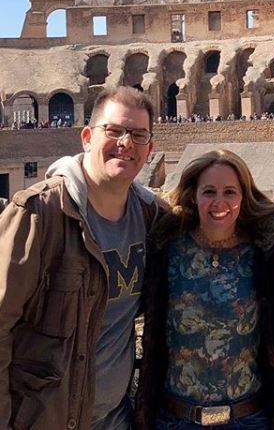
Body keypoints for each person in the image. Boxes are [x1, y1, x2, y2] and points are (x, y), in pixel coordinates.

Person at [0, 86, 161, 429]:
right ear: (87, 137)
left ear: (150, 148)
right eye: (114, 130)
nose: (125, 143)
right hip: (48, 420)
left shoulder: (151, 217)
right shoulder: (39, 214)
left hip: (118, 418)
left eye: (138, 134)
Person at [135, 149, 274, 430]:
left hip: (249, 419)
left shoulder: (264, 254)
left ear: (243, 197)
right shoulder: (168, 250)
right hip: (176, 420)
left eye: (230, 192)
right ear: (193, 195)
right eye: (209, 191)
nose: (219, 202)